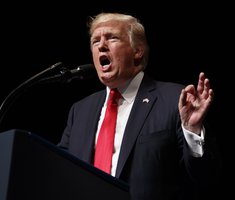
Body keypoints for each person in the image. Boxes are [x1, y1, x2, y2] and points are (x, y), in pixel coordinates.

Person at [58, 12, 220, 200]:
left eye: (112, 38)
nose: (101, 46)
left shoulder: (176, 99)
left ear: (138, 51)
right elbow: (59, 171)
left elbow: (206, 178)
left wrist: (192, 129)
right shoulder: (80, 111)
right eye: (95, 41)